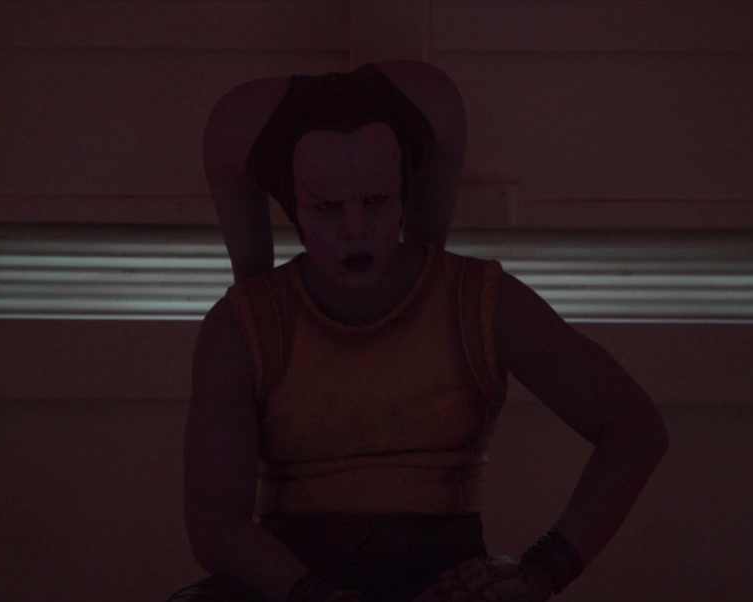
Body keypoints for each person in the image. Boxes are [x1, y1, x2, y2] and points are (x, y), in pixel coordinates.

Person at [170, 60, 669, 602]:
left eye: (377, 201)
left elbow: (634, 428)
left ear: (405, 193)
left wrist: (541, 571)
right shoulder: (242, 326)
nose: (356, 228)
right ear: (295, 206)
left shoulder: (479, 301)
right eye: (327, 207)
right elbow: (215, 523)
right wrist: (316, 595)